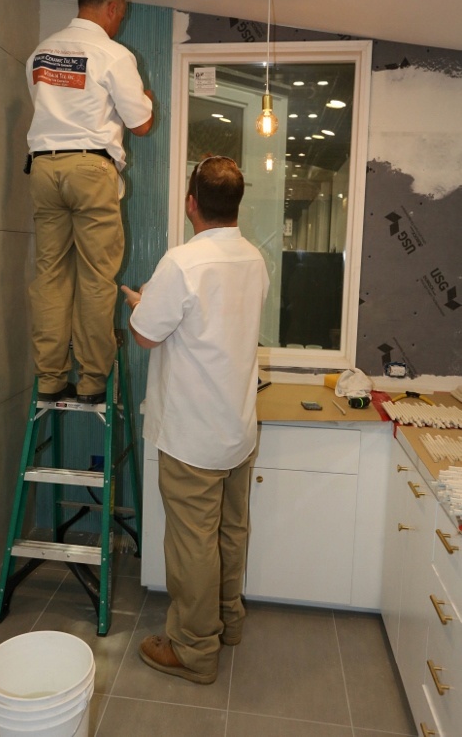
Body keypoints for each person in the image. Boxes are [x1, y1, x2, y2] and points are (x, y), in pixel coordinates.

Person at [121, 156, 269, 684]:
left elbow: (145, 334)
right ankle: (228, 622)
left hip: (192, 437)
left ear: (191, 203)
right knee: (230, 533)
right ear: (235, 205)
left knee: (192, 546)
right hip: (236, 429)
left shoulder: (181, 262)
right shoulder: (254, 258)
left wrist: (139, 304)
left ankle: (193, 649)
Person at [26, 0, 153, 403]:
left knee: (50, 274)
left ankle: (50, 376)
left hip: (44, 168)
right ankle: (93, 380)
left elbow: (52, 107)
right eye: (121, 14)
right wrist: (145, 97)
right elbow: (142, 123)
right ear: (112, 8)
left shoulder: (40, 53)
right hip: (90, 168)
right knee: (97, 278)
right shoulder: (112, 54)